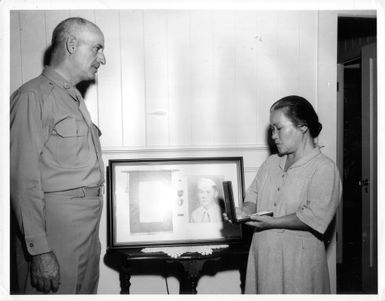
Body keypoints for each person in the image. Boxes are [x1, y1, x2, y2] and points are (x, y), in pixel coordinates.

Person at [10, 17, 106, 294]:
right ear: (72, 44)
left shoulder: (71, 98)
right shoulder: (33, 96)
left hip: (86, 227)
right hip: (56, 229)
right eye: (97, 48)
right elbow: (22, 180)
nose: (103, 58)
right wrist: (40, 250)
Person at [225, 95, 341, 294]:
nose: (273, 136)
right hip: (264, 256)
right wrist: (242, 212)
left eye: (279, 128)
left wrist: (273, 222)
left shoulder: (324, 168)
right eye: (272, 129)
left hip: (299, 262)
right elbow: (252, 197)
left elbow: (315, 216)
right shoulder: (271, 163)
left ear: (303, 126)